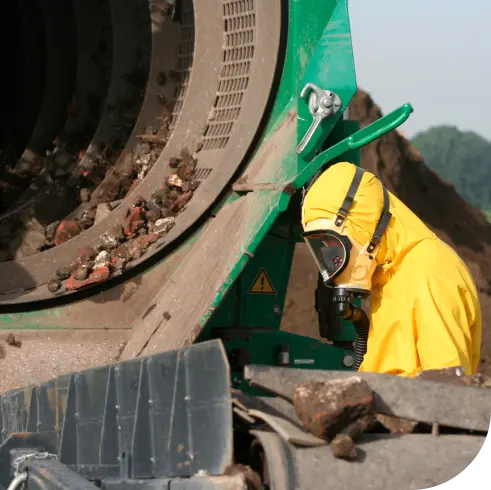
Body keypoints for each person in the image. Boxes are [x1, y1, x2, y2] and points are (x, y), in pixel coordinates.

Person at [301, 161, 482, 377]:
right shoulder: (391, 271)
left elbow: (447, 391)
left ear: (363, 226)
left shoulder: (430, 272)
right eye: (322, 245)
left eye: (332, 242)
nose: (332, 255)